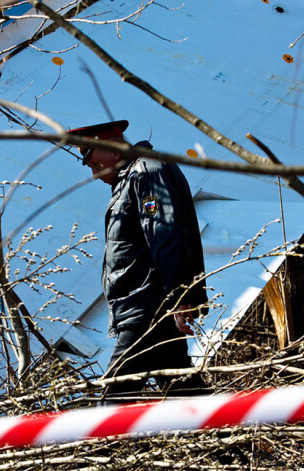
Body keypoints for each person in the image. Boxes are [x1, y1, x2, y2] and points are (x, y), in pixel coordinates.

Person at [68, 120, 209, 403]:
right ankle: (226, 440)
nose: (95, 175)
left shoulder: (146, 174)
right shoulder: (133, 177)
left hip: (147, 308)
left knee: (115, 399)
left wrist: (179, 299)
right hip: (149, 307)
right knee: (186, 395)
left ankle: (99, 447)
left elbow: (165, 236)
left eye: (95, 164)